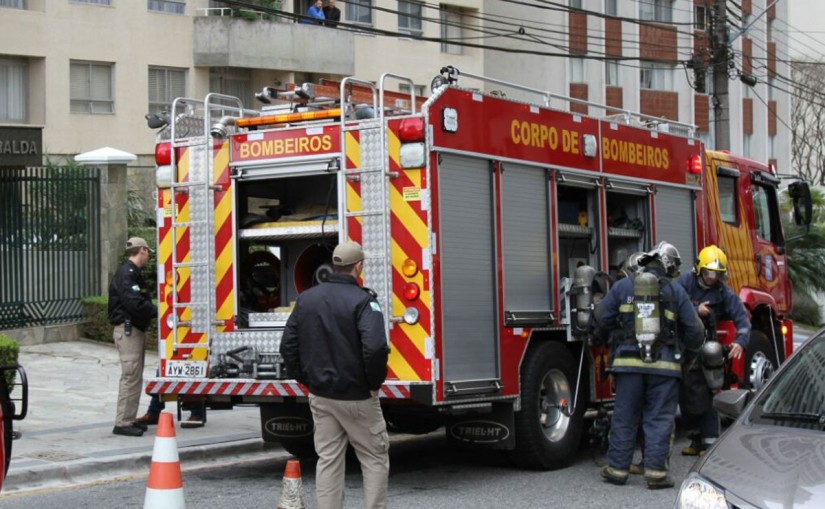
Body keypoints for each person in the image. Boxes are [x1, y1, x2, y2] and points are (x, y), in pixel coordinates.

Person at [279, 242, 390, 509]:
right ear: (358, 266)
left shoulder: (307, 299)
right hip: (358, 396)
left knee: (328, 459)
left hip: (321, 395)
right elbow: (375, 347)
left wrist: (306, 379)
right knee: (374, 457)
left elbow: (287, 346)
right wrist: (373, 384)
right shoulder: (364, 301)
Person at [593, 241, 703, 489]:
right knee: (660, 418)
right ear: (668, 267)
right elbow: (695, 331)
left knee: (624, 416)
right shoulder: (676, 291)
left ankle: (617, 469)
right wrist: (688, 356)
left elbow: (601, 318)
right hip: (665, 366)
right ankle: (655, 473)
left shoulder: (623, 286)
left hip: (628, 365)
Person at [677, 245, 749, 456]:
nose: (712, 278)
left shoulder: (723, 291)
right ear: (699, 269)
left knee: (708, 393)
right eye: (709, 273)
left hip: (707, 351)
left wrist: (740, 342)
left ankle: (710, 442)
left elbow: (742, 318)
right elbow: (671, 305)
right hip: (684, 347)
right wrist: (694, 309)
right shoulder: (685, 282)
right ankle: (695, 439)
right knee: (686, 394)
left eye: (717, 274)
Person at [108, 237, 158, 437]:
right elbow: (134, 303)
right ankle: (123, 423)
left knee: (135, 376)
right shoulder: (127, 274)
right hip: (128, 331)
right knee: (130, 376)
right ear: (142, 250)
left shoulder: (132, 272)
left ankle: (128, 419)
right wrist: (158, 312)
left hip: (133, 330)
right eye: (148, 253)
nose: (148, 257)